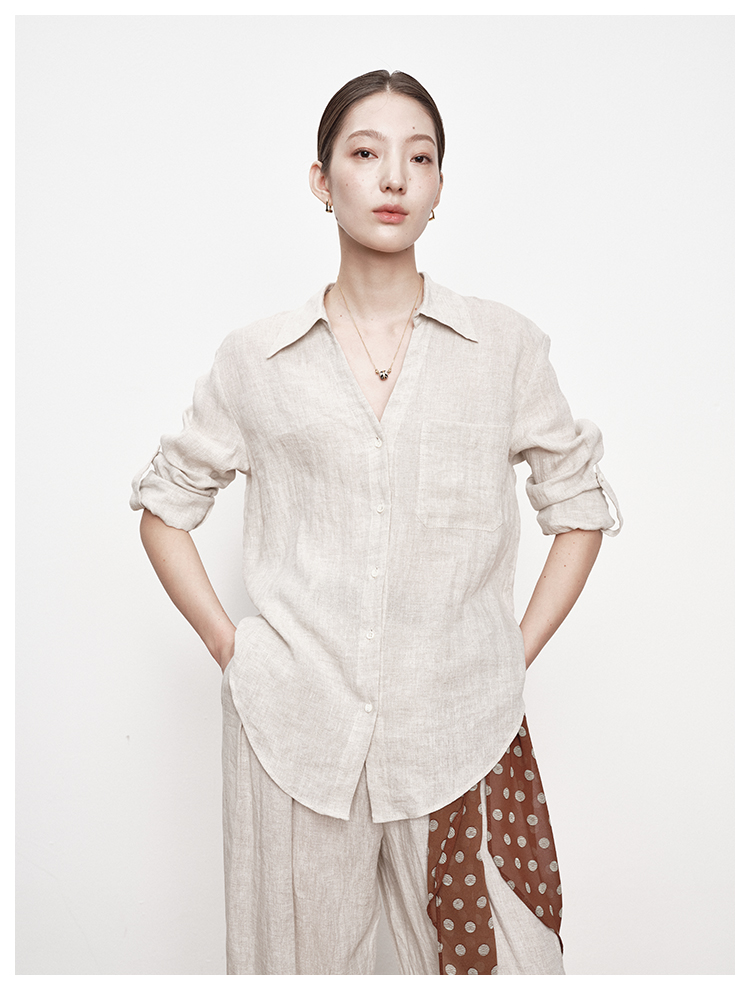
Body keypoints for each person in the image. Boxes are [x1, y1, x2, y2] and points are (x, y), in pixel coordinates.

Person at [130, 69, 622, 976]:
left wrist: (508, 657)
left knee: (510, 964)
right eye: (365, 153)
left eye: (418, 158)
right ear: (322, 180)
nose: (393, 177)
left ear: (439, 187)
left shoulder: (505, 349)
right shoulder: (257, 360)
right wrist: (233, 648)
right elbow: (167, 506)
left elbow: (579, 508)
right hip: (294, 737)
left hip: (462, 732)